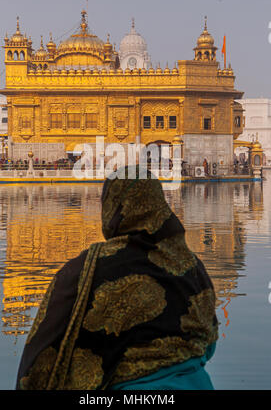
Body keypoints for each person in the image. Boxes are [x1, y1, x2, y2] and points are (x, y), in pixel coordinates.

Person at [16, 165, 218, 391]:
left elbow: (42, 351)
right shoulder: (190, 266)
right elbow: (208, 342)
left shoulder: (86, 269)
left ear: (113, 207)